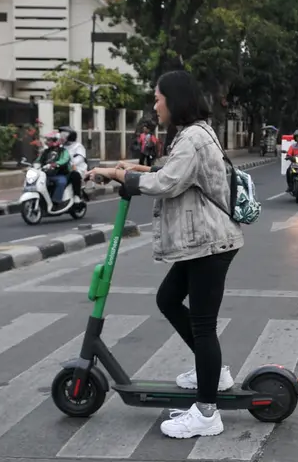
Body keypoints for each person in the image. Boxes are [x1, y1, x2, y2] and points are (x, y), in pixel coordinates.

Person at [86, 70, 244, 440]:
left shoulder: (192, 137)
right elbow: (170, 172)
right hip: (201, 244)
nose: (155, 105)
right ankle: (215, 375)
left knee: (204, 326)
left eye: (157, 98)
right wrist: (126, 169)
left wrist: (120, 176)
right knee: (168, 299)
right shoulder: (194, 134)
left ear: (174, 100)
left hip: (209, 244)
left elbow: (165, 183)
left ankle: (207, 413)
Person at [37, 131, 71, 206]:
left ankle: (56, 202)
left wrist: (56, 164)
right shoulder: (45, 151)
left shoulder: (63, 151)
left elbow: (65, 159)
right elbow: (38, 160)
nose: (47, 142)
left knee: (61, 182)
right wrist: (32, 165)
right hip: (46, 174)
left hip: (59, 174)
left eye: (49, 140)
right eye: (47, 140)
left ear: (56, 140)